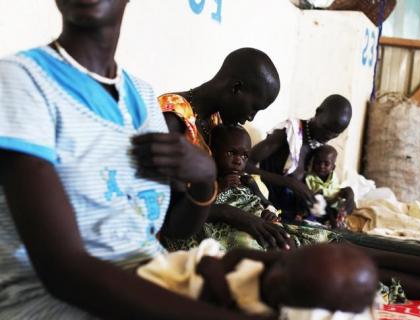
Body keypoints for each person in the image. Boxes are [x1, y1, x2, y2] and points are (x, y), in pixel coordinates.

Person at [0, 1, 267, 319]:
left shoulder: (141, 97)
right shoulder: (21, 81)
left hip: (151, 277)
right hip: (50, 302)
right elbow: (63, 271)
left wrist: (206, 178)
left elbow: (174, 225)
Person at [159, 48, 291, 250]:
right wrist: (234, 215)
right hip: (174, 233)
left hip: (206, 221)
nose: (251, 118)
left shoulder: (216, 121)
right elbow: (166, 207)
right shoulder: (173, 118)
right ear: (236, 88)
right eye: (254, 107)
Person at [161, 125, 332, 251]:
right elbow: (198, 207)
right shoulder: (207, 180)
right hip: (225, 227)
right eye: (231, 154)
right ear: (212, 152)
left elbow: (264, 201)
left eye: (244, 156)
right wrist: (220, 186)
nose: (238, 161)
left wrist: (270, 210)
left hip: (258, 220)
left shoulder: (247, 180)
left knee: (309, 235)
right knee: (248, 244)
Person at [138, 239, 379, 315]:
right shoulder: (282, 263)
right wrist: (218, 266)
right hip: (177, 269)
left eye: (285, 288)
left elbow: (208, 306)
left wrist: (218, 286)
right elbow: (238, 254)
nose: (274, 278)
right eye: (281, 266)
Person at [247, 94, 353, 220]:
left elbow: (323, 185)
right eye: (325, 128)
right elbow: (245, 164)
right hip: (268, 207)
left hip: (293, 213)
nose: (327, 136)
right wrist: (288, 182)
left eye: (335, 134)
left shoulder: (318, 146)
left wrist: (347, 192)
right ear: (318, 112)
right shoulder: (289, 133)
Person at [304, 145, 355, 227]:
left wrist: (340, 195)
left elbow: (335, 190)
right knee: (325, 202)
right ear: (313, 163)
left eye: (326, 164)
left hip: (334, 201)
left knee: (349, 194)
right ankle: (334, 224)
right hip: (320, 206)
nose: (321, 166)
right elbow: (309, 195)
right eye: (318, 163)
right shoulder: (309, 178)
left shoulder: (333, 176)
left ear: (333, 167)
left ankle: (342, 216)